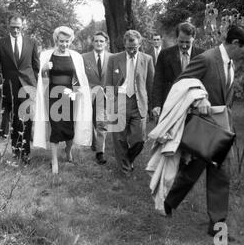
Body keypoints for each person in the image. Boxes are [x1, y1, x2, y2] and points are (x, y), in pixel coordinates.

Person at [163, 25, 244, 237]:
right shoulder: (206, 59)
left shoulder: (231, 62)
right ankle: (169, 202)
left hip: (221, 126)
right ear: (235, 44)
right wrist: (200, 96)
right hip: (203, 126)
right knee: (191, 172)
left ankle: (217, 226)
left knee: (221, 174)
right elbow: (181, 82)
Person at [33, 26, 92, 174]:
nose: (64, 44)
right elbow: (37, 75)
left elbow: (80, 78)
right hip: (52, 94)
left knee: (68, 126)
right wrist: (44, 69)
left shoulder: (76, 57)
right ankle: (54, 161)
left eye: (67, 41)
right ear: (56, 40)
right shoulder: (46, 55)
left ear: (71, 41)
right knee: (56, 127)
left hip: (69, 94)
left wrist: (80, 93)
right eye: (61, 41)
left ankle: (68, 149)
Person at [0, 13, 40, 165]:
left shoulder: (32, 43)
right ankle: (17, 152)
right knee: (14, 120)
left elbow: (36, 66)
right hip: (9, 87)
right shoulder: (0, 44)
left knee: (27, 121)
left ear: (23, 26)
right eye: (12, 27)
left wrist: (35, 84)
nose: (15, 30)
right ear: (8, 25)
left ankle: (26, 153)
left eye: (18, 27)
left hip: (28, 87)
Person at [105, 30, 154, 177]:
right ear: (124, 45)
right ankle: (125, 169)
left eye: (135, 47)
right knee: (119, 139)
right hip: (119, 101)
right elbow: (108, 84)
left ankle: (128, 158)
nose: (132, 50)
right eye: (129, 48)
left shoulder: (147, 59)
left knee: (139, 139)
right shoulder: (114, 59)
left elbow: (151, 84)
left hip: (139, 103)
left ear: (140, 45)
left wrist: (152, 107)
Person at [152, 22, 204, 118]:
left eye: (187, 42)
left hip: (195, 107)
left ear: (194, 38)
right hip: (170, 105)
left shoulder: (202, 56)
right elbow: (158, 81)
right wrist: (156, 104)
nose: (184, 45)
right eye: (181, 41)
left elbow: (206, 81)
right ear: (176, 39)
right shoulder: (165, 55)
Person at [82, 31, 111, 165]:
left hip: (105, 95)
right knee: (92, 121)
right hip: (89, 95)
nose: (99, 43)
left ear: (106, 43)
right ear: (92, 43)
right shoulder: (84, 57)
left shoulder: (112, 58)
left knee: (101, 123)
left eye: (101, 41)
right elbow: (79, 77)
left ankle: (100, 152)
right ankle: (95, 142)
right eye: (96, 41)